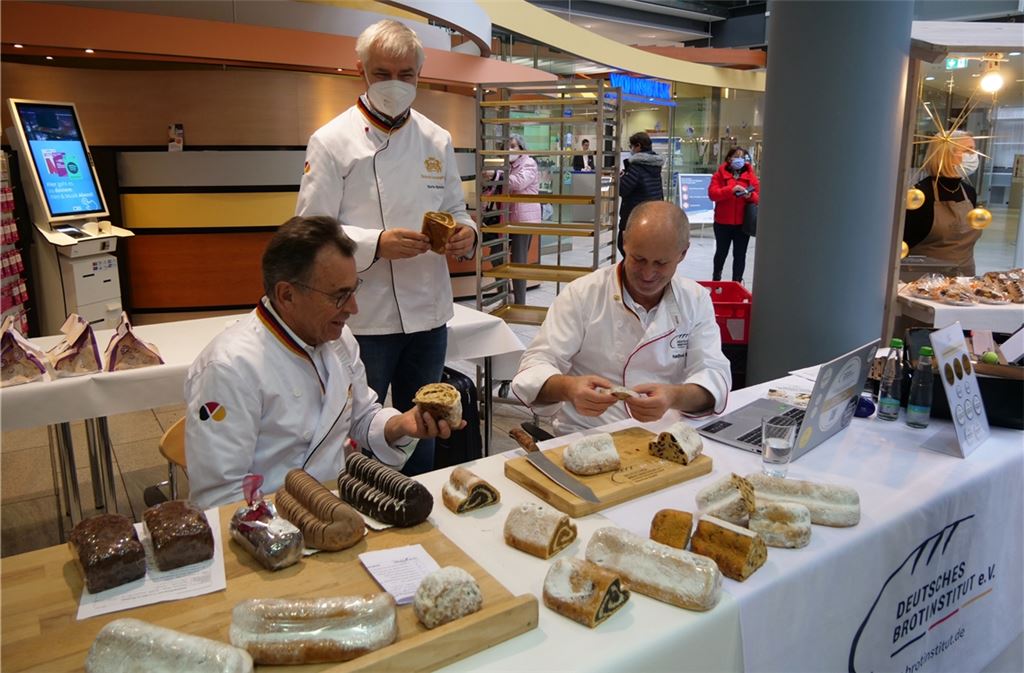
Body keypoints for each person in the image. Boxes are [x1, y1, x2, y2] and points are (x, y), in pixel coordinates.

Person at [295, 20, 477, 475]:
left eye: (406, 74)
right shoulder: (332, 141)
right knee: (357, 430)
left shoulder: (436, 139)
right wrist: (376, 243)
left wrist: (465, 232)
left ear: (420, 73)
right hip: (363, 315)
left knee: (427, 426)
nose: (395, 84)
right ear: (361, 71)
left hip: (428, 313)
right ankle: (361, 512)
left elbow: (457, 207)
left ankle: (426, 505)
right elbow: (311, 231)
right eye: (382, 73)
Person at [184, 216, 463, 509]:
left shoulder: (339, 340)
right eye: (340, 295)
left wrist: (402, 424)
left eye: (354, 290)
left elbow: (362, 415)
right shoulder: (229, 368)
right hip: (269, 525)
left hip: (338, 505)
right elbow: (220, 500)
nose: (354, 309)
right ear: (287, 294)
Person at [511, 201, 731, 435]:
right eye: (638, 259)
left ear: (683, 253)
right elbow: (534, 366)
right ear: (624, 241)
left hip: (667, 436)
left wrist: (674, 396)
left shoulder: (695, 299)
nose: (647, 274)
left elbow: (713, 374)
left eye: (661, 263)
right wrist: (570, 388)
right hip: (589, 435)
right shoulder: (583, 293)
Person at [904, 131, 980, 276]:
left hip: (965, 279)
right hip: (924, 283)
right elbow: (904, 243)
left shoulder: (969, 192)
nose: (974, 156)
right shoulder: (919, 195)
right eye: (968, 150)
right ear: (947, 154)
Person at [708, 146, 759, 284]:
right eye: (736, 156)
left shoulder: (751, 176)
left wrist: (749, 195)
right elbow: (713, 194)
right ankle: (716, 279)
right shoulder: (719, 175)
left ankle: (737, 282)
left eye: (742, 157)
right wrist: (731, 189)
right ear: (729, 158)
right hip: (722, 223)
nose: (739, 160)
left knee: (740, 254)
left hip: (743, 224)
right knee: (721, 253)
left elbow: (758, 197)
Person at [505, 133, 541, 304]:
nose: (509, 149)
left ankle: (520, 302)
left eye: (513, 146)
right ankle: (505, 297)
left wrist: (497, 177)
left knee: (518, 260)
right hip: (508, 218)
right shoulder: (509, 165)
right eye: (507, 146)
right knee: (502, 258)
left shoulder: (529, 163)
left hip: (524, 220)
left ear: (522, 148)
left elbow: (518, 183)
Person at [618, 131, 665, 256]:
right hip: (652, 213)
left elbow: (623, 189)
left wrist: (620, 178)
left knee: (624, 246)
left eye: (631, 146)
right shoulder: (655, 165)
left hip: (635, 214)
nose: (631, 150)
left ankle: (630, 274)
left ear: (638, 146)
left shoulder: (637, 166)